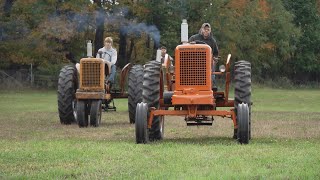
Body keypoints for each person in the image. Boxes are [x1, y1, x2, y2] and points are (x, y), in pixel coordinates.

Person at [188, 23, 219, 89]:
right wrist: (191, 44)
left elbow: (216, 53)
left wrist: (214, 59)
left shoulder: (212, 41)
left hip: (207, 62)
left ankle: (212, 83)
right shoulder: (194, 38)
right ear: (201, 30)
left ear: (210, 31)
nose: (206, 31)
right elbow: (186, 47)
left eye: (208, 30)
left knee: (212, 65)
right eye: (205, 29)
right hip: (194, 60)